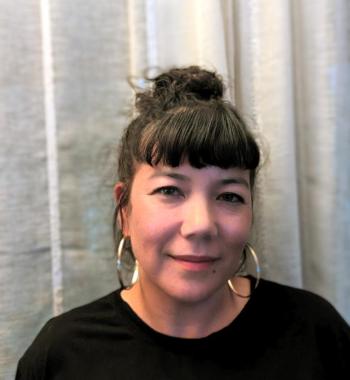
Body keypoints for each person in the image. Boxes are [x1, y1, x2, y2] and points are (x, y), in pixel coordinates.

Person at [16, 66, 350, 379]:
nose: (201, 225)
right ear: (124, 211)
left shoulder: (316, 334)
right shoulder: (61, 356)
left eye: (229, 196)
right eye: (170, 190)